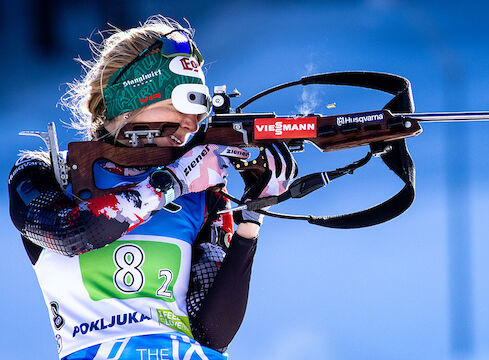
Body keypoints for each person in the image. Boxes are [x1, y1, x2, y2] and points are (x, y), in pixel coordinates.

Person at [8, 15, 296, 360]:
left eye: (200, 111)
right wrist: (170, 183)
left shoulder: (198, 193)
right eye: (185, 102)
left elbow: (212, 334)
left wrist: (251, 218)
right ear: (136, 94)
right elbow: (74, 232)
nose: (193, 124)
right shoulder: (46, 175)